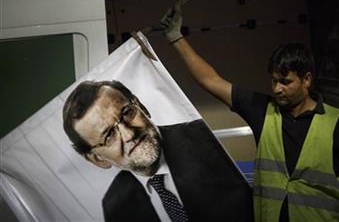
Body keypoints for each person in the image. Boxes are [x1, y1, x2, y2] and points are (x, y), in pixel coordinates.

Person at [159, 0, 339, 222]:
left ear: (307, 79)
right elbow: (211, 80)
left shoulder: (337, 123)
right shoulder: (262, 110)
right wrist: (175, 37)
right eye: (273, 81)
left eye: (285, 82)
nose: (277, 89)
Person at [62, 80, 253, 222]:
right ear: (97, 159)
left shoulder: (204, 139)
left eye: (127, 113)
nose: (128, 134)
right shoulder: (115, 207)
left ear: (141, 106)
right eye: (109, 134)